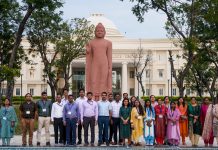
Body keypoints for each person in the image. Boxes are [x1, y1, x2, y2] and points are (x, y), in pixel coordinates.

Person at [86, 23, 112, 97]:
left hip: (104, 63)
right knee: (93, 80)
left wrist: (110, 68)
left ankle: (103, 96)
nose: (99, 32)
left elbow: (109, 56)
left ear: (104, 32)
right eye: (97, 30)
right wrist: (87, 50)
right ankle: (93, 96)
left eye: (101, 31)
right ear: (95, 32)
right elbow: (89, 54)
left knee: (103, 81)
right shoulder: (91, 42)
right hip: (94, 63)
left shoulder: (108, 43)